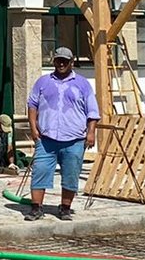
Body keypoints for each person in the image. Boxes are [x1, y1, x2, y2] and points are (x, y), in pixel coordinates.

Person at [25, 47, 99, 221]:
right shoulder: (43, 82)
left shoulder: (82, 84)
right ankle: (36, 208)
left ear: (71, 62)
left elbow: (92, 111)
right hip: (47, 139)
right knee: (40, 171)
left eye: (65, 61)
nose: (61, 64)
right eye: (58, 60)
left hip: (74, 140)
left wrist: (91, 133)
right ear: (54, 61)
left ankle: (65, 208)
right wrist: (33, 129)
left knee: (71, 175)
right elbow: (32, 105)